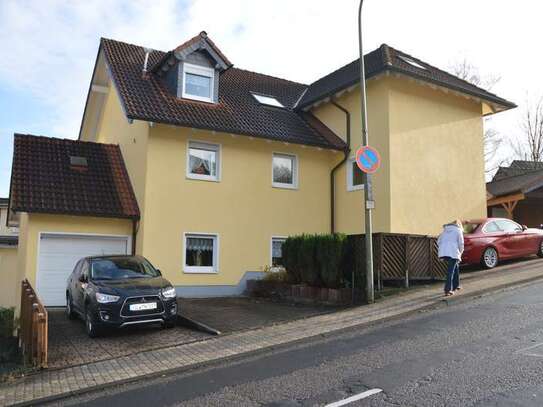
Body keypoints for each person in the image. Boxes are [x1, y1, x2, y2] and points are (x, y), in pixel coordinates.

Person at [437, 219, 464, 296]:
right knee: (450, 271)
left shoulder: (444, 231)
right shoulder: (458, 231)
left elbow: (438, 241)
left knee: (455, 267)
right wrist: (460, 253)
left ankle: (456, 285)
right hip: (453, 252)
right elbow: (461, 244)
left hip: (444, 252)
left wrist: (443, 249)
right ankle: (447, 290)